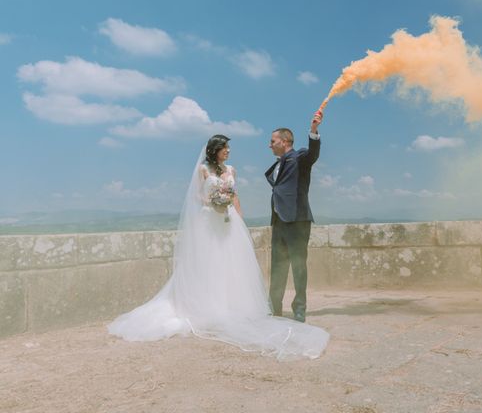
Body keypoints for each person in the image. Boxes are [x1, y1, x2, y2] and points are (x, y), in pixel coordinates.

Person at [108, 134, 329, 360]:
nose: (229, 151)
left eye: (229, 148)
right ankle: (212, 307)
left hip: (229, 221)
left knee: (231, 264)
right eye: (225, 148)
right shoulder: (203, 170)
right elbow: (196, 196)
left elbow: (236, 196)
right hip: (209, 221)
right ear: (215, 150)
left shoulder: (232, 170)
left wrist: (239, 219)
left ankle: (250, 307)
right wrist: (212, 201)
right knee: (209, 263)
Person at [265, 111, 322, 323]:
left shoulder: (299, 157)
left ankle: (299, 309)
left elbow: (312, 155)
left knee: (299, 265)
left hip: (297, 220)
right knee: (278, 265)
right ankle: (274, 307)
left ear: (285, 141)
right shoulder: (279, 163)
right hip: (279, 221)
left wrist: (314, 131)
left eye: (272, 141)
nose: (269, 145)